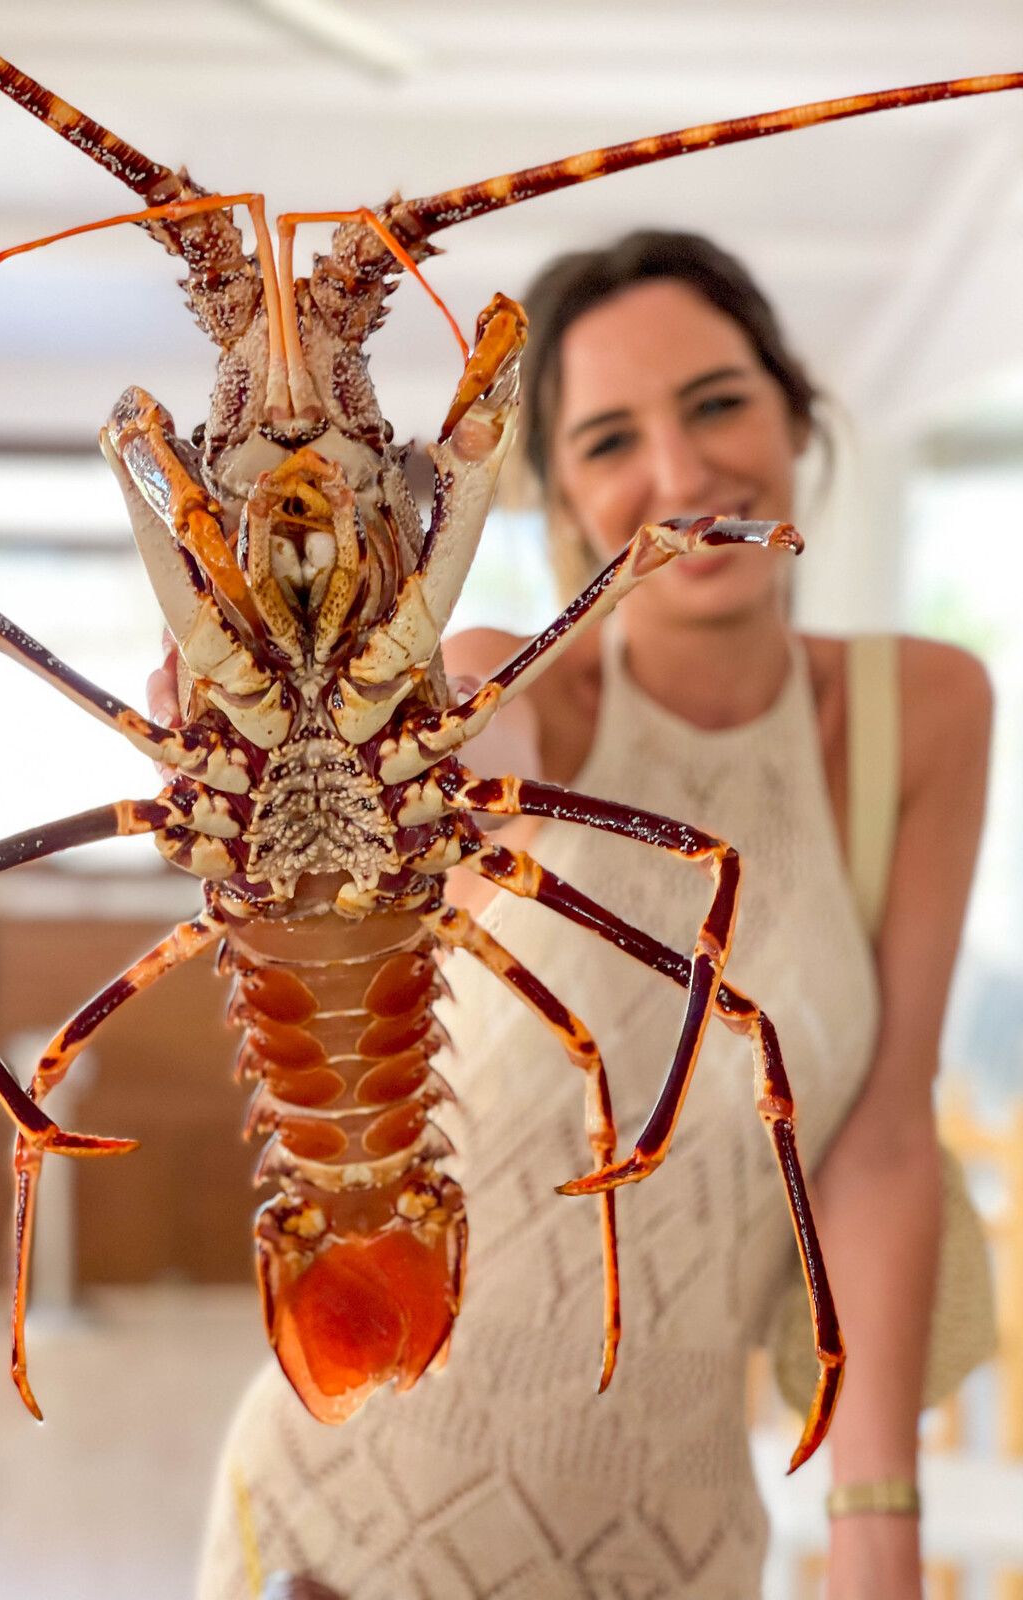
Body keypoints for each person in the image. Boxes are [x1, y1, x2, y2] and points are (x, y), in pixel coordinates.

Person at [192, 231, 991, 1600]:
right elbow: (443, 750)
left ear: (798, 412)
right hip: (351, 1527)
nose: (680, 474)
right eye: (612, 437)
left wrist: (875, 1523)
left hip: (672, 1549)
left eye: (720, 403)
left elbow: (880, 1142)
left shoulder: (918, 717)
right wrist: (259, 722)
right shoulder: (504, 694)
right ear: (557, 489)